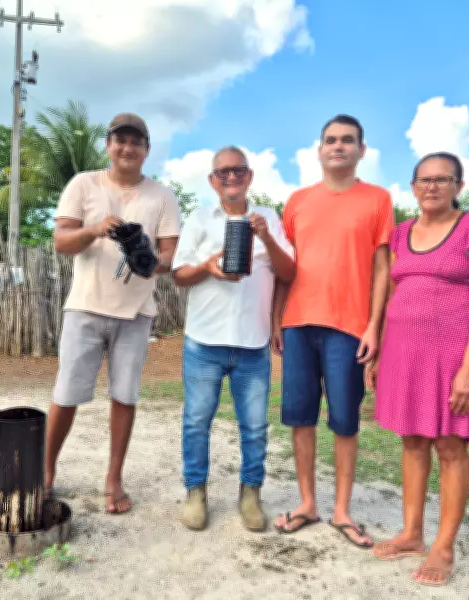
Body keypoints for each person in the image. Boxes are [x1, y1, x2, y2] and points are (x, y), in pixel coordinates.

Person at [367, 152, 469, 586]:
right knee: (411, 440)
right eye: (423, 180)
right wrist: (381, 352)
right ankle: (411, 533)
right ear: (412, 187)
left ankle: (443, 547)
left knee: (449, 445)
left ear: (459, 186)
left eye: (442, 179)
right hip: (404, 354)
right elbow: (391, 294)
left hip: (451, 356)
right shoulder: (401, 233)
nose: (432, 187)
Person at [47, 113, 181, 514]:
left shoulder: (162, 195)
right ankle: (46, 471)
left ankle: (113, 478)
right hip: (85, 307)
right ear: (108, 145)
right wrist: (95, 230)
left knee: (125, 396)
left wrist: (150, 262)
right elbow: (61, 242)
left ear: (146, 150)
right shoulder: (84, 184)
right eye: (119, 140)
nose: (127, 148)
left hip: (136, 313)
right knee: (66, 394)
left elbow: (170, 255)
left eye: (136, 142)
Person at [271, 115, 394, 547]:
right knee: (299, 418)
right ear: (319, 150)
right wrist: (276, 320)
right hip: (299, 323)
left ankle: (342, 510)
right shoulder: (298, 201)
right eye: (330, 140)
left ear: (362, 149)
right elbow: (284, 269)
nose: (338, 146)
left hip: (349, 326)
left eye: (347, 140)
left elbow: (383, 267)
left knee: (345, 421)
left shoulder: (378, 200)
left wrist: (374, 326)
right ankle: (308, 503)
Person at [172, 146, 295, 532]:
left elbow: (289, 272)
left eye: (238, 171)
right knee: (196, 421)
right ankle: (196, 492)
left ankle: (250, 494)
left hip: (253, 342)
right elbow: (178, 274)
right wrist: (208, 267)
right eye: (222, 172)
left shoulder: (269, 219)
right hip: (203, 341)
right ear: (212, 180)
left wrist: (266, 239)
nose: (230, 177)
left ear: (249, 176)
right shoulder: (197, 218)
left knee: (255, 426)